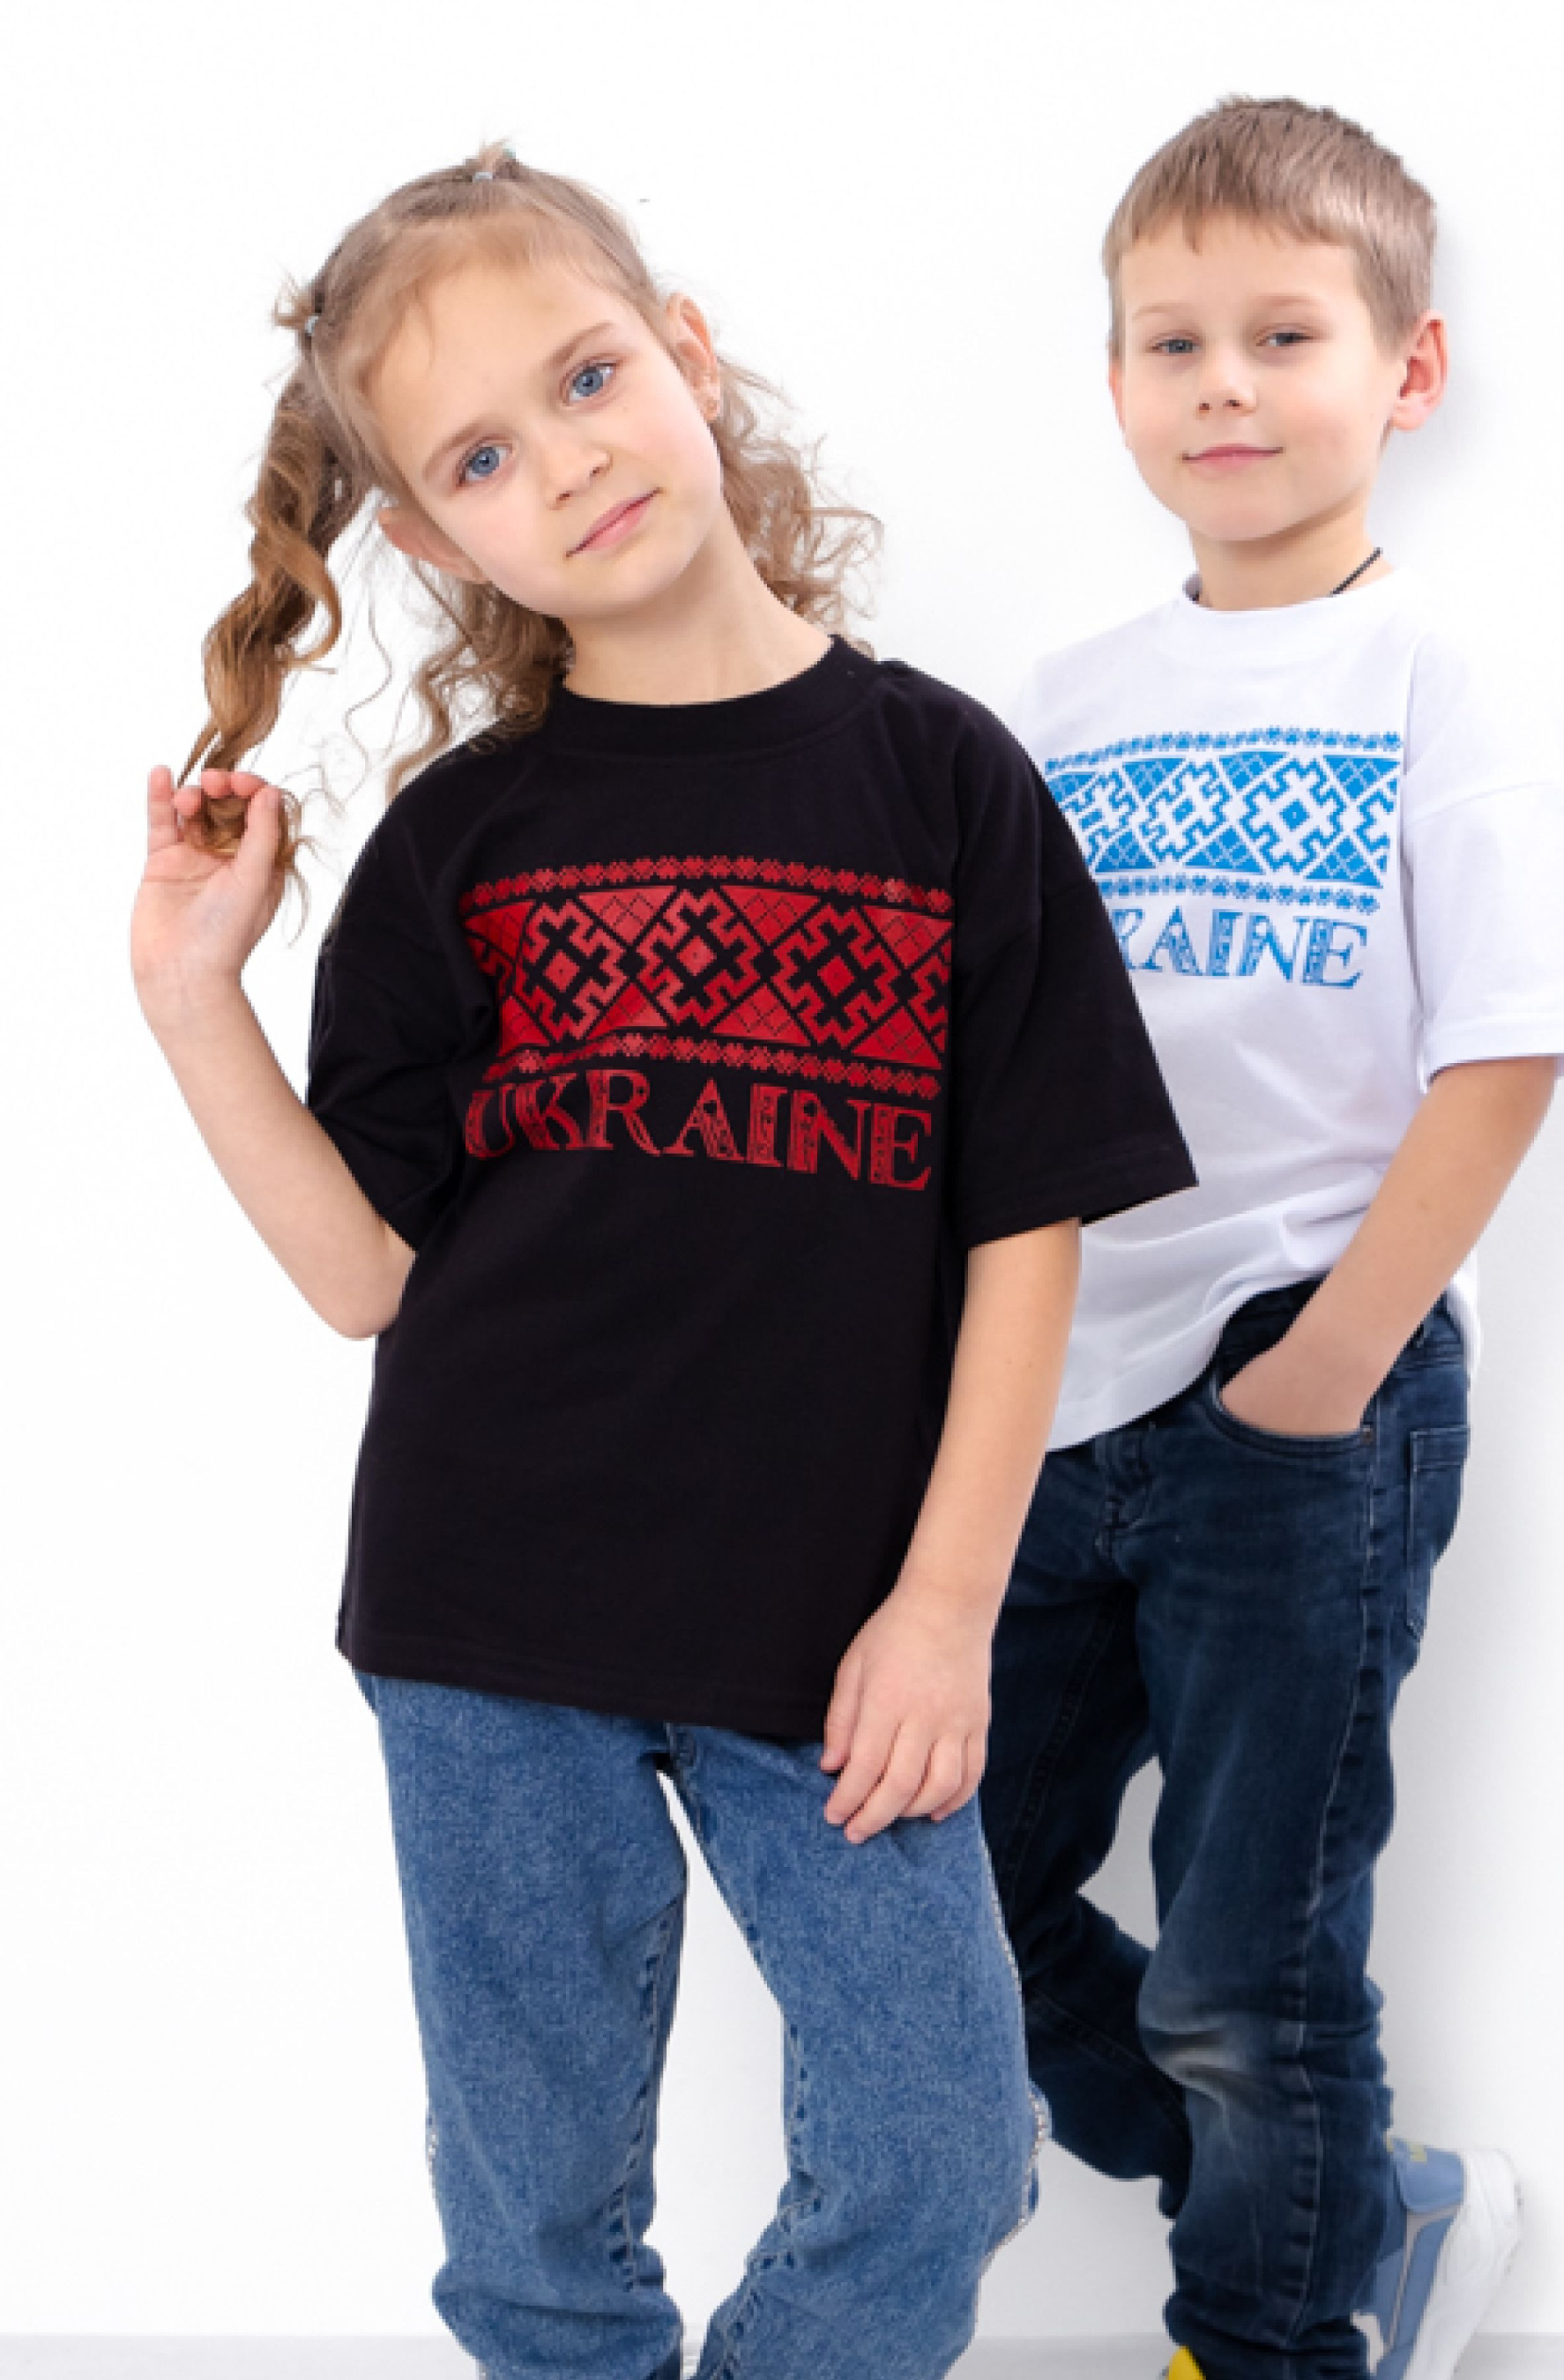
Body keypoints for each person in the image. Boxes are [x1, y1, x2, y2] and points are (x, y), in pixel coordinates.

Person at [129, 143, 1195, 2380]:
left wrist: (944, 1609)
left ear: (687, 356)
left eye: (588, 375)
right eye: (479, 458)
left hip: (834, 1638)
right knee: (539, 2233)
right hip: (485, 1620)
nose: (566, 458)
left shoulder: (946, 787)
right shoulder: (459, 842)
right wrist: (193, 998)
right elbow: (364, 1277)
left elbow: (1028, 1236)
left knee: (939, 2155)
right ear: (438, 543)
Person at [977, 96, 1564, 2380]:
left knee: (1247, 1964)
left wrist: (1328, 1362)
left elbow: (1507, 1045)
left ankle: (1270, 2335)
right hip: (1057, 1388)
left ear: (1404, 371)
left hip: (1305, 1381)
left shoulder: (1431, 679)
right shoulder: (1057, 707)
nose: (1223, 385)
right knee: (939, 1874)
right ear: (1114, 382)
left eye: (1282, 334)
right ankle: (1360, 2212)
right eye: (1172, 342)